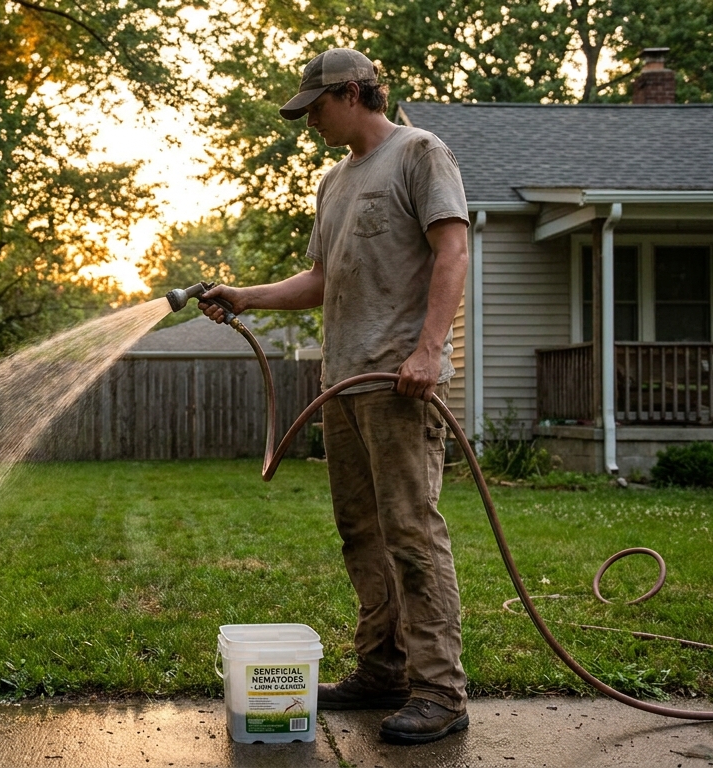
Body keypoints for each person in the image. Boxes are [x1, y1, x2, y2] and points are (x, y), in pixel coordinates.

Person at [198, 48, 471, 746]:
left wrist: (429, 349)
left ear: (353, 92)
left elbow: (452, 250)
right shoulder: (335, 180)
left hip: (398, 381)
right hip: (343, 384)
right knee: (362, 533)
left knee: (412, 532)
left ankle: (441, 691)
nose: (309, 120)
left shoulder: (420, 152)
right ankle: (383, 670)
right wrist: (246, 295)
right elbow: (322, 279)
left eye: (316, 106)